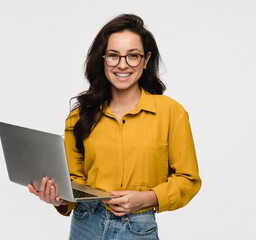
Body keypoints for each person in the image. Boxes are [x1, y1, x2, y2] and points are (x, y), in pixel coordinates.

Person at [28, 14, 201, 240]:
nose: (122, 64)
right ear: (103, 59)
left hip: (137, 228)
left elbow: (188, 180)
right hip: (85, 224)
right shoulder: (80, 115)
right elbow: (73, 182)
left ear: (146, 59)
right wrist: (58, 198)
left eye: (133, 56)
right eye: (113, 56)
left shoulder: (171, 113)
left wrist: (146, 198)